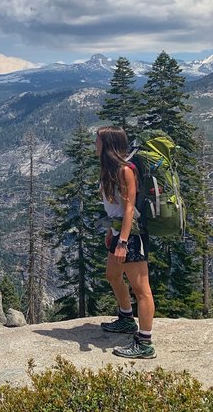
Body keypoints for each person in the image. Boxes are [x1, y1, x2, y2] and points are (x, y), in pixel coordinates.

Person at [96, 126, 156, 359]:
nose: (95, 144)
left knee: (142, 290)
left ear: (108, 145)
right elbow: (117, 208)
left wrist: (122, 241)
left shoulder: (125, 171)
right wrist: (111, 231)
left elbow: (129, 208)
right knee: (112, 275)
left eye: (98, 141)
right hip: (119, 230)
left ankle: (145, 343)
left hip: (131, 235)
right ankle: (126, 318)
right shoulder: (109, 169)